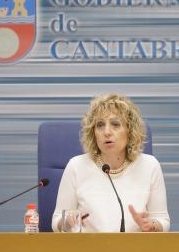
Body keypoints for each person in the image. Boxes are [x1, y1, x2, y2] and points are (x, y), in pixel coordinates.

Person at [52, 94, 170, 232]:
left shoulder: (150, 166)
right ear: (93, 133)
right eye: (100, 125)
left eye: (115, 124)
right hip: (88, 250)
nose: (106, 132)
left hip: (134, 250)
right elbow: (56, 221)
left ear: (130, 130)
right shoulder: (76, 166)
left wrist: (151, 225)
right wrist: (67, 221)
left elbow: (163, 220)